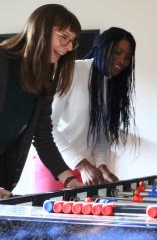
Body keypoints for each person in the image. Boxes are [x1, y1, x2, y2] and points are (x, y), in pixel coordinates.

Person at [0, 4, 84, 204]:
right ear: (40, 30)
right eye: (64, 37)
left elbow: (42, 135)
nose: (69, 48)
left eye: (72, 42)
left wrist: (69, 178)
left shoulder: (45, 79)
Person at [34, 27, 136, 191]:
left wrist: (102, 166)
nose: (122, 61)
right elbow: (47, 127)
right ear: (102, 47)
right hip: (54, 165)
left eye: (127, 57)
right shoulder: (72, 71)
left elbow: (101, 135)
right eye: (117, 52)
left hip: (88, 170)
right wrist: (82, 165)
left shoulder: (113, 85)